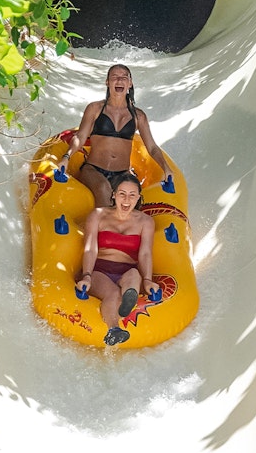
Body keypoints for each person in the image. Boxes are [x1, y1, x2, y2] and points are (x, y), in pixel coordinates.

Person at [58, 63, 172, 207]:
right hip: (93, 169)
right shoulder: (95, 109)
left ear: (130, 83)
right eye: (114, 77)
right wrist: (66, 157)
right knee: (103, 188)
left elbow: (152, 148)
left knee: (132, 200)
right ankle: (102, 225)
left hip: (122, 173)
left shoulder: (138, 116)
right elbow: (80, 137)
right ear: (107, 82)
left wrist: (166, 168)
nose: (119, 80)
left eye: (124, 77)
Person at [75, 173, 160, 346]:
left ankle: (130, 298)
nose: (126, 200)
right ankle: (114, 329)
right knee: (113, 293)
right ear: (113, 194)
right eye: (122, 194)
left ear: (138, 197)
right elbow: (91, 248)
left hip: (127, 270)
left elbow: (145, 253)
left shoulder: (146, 222)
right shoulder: (98, 215)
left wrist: (148, 280)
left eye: (132, 195)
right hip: (100, 269)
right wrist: (87, 275)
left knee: (134, 276)